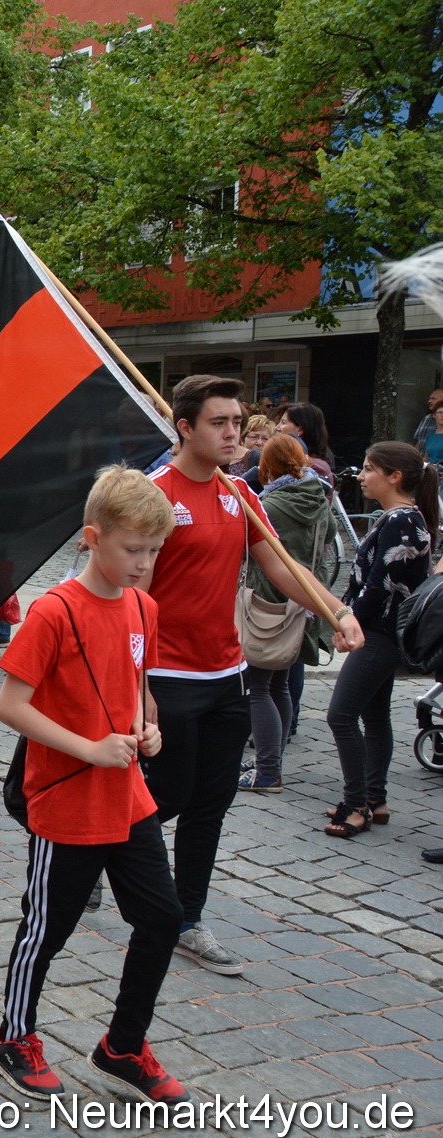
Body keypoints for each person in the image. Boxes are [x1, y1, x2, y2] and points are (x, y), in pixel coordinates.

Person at [143, 376, 361, 976]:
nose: (233, 433)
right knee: (167, 796)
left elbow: (282, 569)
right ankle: (98, 853)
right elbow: (132, 595)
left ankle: (187, 919)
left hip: (228, 672)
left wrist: (338, 612)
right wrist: (137, 683)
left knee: (210, 804)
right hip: (166, 674)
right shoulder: (153, 495)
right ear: (184, 427)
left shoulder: (240, 494)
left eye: (237, 422)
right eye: (219, 422)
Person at [0, 465, 188, 1107]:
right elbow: (11, 706)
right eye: (134, 549)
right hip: (67, 799)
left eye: (154, 551)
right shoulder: (54, 611)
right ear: (92, 537)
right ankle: (12, 1036)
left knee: (163, 917)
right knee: (46, 929)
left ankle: (123, 1046)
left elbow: (138, 687)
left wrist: (148, 727)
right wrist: (90, 749)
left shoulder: (143, 606)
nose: (144, 563)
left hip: (128, 798)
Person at [324, 442, 436, 836]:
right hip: (379, 630)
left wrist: (347, 622)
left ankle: (356, 805)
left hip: (380, 634)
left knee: (340, 716)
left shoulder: (402, 519)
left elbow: (378, 586)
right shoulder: (399, 517)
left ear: (395, 476)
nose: (361, 475)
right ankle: (375, 799)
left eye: (370, 469)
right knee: (373, 716)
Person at [235, 434, 333, 794]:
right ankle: (271, 758)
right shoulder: (317, 496)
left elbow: (246, 548)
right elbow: (330, 535)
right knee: (281, 685)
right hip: (303, 600)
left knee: (258, 687)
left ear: (267, 466)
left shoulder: (270, 505)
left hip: (267, 599)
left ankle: (268, 770)